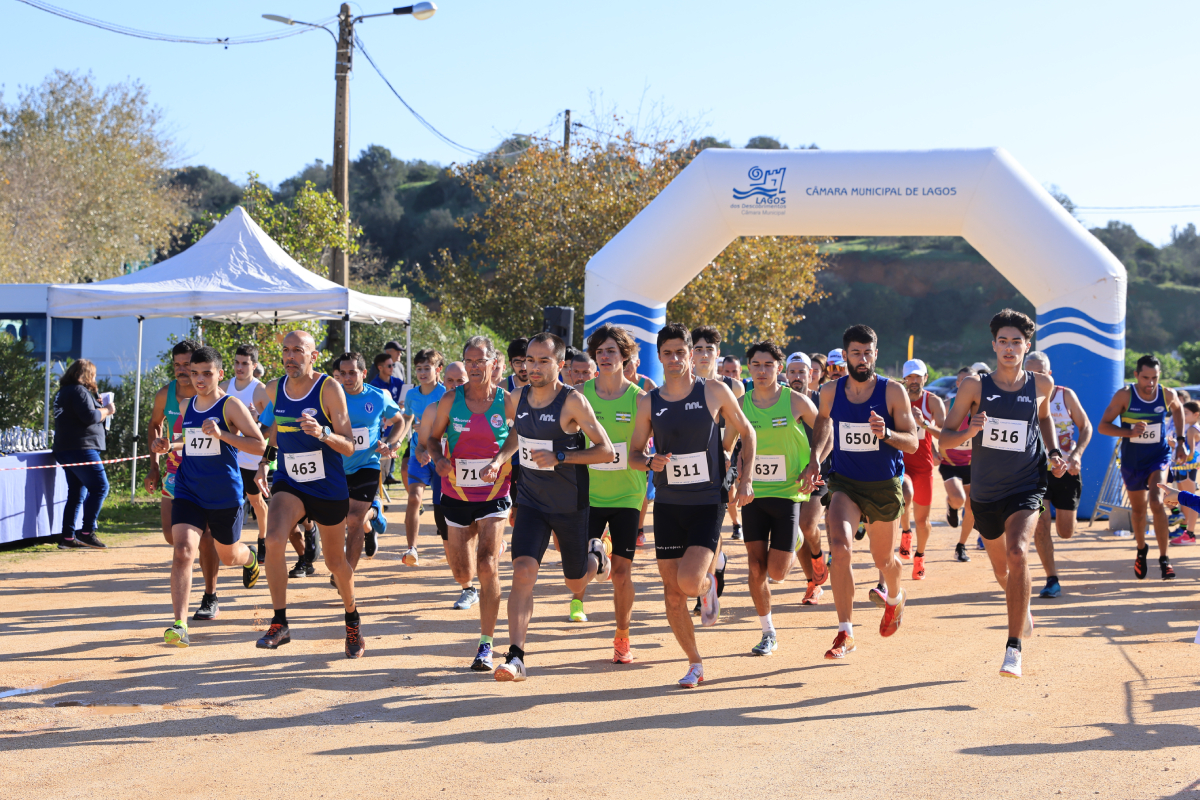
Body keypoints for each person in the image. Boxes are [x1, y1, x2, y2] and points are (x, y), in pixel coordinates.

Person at [479, 332, 615, 682]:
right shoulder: (517, 397)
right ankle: (516, 657)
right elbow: (516, 435)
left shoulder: (572, 402)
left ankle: (597, 555)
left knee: (575, 583)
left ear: (560, 365)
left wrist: (561, 456)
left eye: (542, 361)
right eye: (528, 360)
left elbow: (606, 451)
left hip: (570, 505)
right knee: (523, 570)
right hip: (531, 502)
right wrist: (498, 460)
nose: (532, 367)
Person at [939, 309, 1066, 679]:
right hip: (986, 492)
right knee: (1001, 568)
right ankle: (1019, 604)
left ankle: (1013, 648)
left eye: (1017, 342)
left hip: (1027, 483)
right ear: (994, 345)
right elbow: (946, 440)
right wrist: (969, 431)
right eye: (1003, 342)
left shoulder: (1041, 384)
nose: (1010, 349)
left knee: (1018, 552)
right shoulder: (974, 387)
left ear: (1028, 346)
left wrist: (1054, 452)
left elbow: (1044, 418)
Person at [630, 323, 756, 688]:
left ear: (691, 354)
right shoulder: (648, 402)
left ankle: (705, 582)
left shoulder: (713, 390)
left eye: (680, 352)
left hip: (707, 500)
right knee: (672, 595)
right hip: (669, 503)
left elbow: (747, 431)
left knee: (687, 583)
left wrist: (745, 478)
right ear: (659, 356)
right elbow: (636, 454)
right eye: (667, 353)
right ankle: (695, 662)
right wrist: (649, 462)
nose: (674, 359)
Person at [806, 325, 919, 660]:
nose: (862, 358)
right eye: (856, 352)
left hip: (884, 485)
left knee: (883, 560)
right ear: (845, 356)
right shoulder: (829, 391)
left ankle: (896, 597)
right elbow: (824, 422)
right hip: (845, 483)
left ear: (876, 354)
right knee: (839, 551)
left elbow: (912, 442)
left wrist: (887, 434)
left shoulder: (892, 392)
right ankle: (845, 632)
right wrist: (815, 458)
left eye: (868, 352)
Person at [255, 331, 361, 656]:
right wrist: (264, 463)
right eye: (286, 350)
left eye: (298, 351)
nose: (290, 356)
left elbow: (349, 444)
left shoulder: (329, 388)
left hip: (327, 486)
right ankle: (279, 622)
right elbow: (275, 430)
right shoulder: (273, 388)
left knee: (335, 562)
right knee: (273, 539)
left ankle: (352, 618)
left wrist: (324, 433)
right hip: (291, 481)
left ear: (313, 356)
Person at [152, 347, 265, 647]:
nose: (199, 380)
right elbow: (190, 441)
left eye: (206, 373)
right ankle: (180, 624)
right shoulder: (187, 405)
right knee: (183, 551)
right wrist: (169, 445)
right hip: (189, 490)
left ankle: (250, 556)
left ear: (219, 375)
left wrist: (223, 434)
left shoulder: (231, 406)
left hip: (223, 493)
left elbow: (259, 445)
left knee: (228, 556)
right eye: (195, 373)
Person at [425, 336, 512, 672]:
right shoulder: (451, 400)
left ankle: (486, 645)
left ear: (493, 363)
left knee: (487, 563)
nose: (475, 367)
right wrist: (438, 459)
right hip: (456, 492)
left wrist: (502, 458)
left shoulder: (506, 401)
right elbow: (433, 439)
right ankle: (475, 572)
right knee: (463, 570)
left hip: (494, 492)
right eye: (469, 361)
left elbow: (520, 434)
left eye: (481, 361)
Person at [739, 341, 819, 655]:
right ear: (749, 368)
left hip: (788, 493)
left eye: (768, 365)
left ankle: (797, 537)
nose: (761, 370)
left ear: (779, 368)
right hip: (753, 493)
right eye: (756, 365)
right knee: (756, 568)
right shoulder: (741, 404)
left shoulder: (796, 401)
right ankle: (767, 632)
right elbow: (727, 443)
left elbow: (825, 430)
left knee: (777, 573)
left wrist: (816, 464)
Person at [579, 323, 648, 662]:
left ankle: (622, 637)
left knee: (623, 574)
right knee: (579, 575)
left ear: (625, 356)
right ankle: (598, 553)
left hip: (626, 495)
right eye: (600, 351)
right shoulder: (580, 396)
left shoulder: (640, 400)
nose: (605, 356)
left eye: (611, 351)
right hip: (588, 494)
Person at [145, 340, 221, 620]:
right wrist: (154, 466)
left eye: (186, 365)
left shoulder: (215, 396)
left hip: (205, 477)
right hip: (175, 474)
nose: (181, 370)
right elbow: (155, 425)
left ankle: (210, 595)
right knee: (172, 537)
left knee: (205, 538)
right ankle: (244, 558)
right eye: (176, 365)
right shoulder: (165, 394)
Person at [1097, 354, 1187, 580]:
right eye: (1146, 378)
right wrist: (1129, 432)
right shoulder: (1125, 395)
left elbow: (1177, 410)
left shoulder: (1167, 394)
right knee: (1138, 510)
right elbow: (1103, 427)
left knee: (1157, 501)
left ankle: (1165, 558)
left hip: (1159, 455)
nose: (1151, 383)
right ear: (1136, 375)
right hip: (1132, 460)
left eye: (1155, 378)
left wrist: (1181, 440)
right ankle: (1141, 549)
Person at [1024, 351, 1093, 597]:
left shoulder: (1065, 396)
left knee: (1065, 531)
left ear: (1049, 374)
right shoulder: (1019, 397)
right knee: (1041, 526)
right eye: (1031, 374)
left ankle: (1062, 528)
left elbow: (1086, 427)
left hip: (1065, 469)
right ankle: (1051, 579)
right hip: (1035, 472)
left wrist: (1076, 455)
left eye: (1041, 373)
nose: (1036, 378)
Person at [414, 361, 479, 608]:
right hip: (447, 481)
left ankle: (483, 575)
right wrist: (424, 453)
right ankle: (468, 587)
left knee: (481, 534)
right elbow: (423, 442)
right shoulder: (434, 409)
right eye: (450, 381)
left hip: (481, 482)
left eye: (459, 381)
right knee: (449, 537)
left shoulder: (484, 405)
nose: (454, 385)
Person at [333, 352, 403, 577]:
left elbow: (399, 420)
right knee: (341, 519)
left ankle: (346, 573)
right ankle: (374, 513)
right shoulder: (332, 396)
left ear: (363, 373)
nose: (347, 378)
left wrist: (391, 443)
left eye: (352, 373)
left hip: (367, 464)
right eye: (343, 373)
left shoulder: (378, 396)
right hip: (337, 466)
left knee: (353, 519)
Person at [692, 325, 744, 578]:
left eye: (708, 349)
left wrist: (728, 456)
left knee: (716, 515)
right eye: (698, 349)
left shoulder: (734, 388)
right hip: (690, 462)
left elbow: (737, 427)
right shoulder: (682, 385)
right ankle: (718, 559)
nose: (703, 354)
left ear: (718, 353)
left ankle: (710, 574)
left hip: (723, 460)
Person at [53, 358, 115, 549]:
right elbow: (90, 417)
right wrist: (107, 410)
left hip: (66, 448)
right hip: (82, 448)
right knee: (100, 488)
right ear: (86, 374)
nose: (94, 379)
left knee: (77, 493)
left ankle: (68, 537)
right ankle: (86, 532)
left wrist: (95, 404)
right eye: (93, 375)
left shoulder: (64, 392)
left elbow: (81, 414)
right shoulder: (78, 391)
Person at [786, 351, 830, 604]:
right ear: (786, 374)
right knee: (796, 530)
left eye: (802, 372)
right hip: (788, 474)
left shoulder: (821, 400)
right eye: (792, 372)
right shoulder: (781, 401)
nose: (796, 377)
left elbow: (831, 436)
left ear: (811, 375)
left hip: (820, 472)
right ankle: (812, 583)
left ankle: (817, 555)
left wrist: (815, 464)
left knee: (806, 524)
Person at [220, 344, 271, 562]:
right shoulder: (223, 385)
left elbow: (273, 423)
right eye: (236, 362)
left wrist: (257, 421)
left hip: (251, 456)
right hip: (228, 453)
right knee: (231, 499)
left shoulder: (260, 390)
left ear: (254, 365)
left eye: (245, 363)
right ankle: (231, 544)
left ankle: (263, 540)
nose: (239, 367)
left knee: (256, 500)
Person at [898, 358, 946, 581]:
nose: (914, 381)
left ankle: (920, 556)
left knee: (923, 519)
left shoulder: (933, 402)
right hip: (900, 463)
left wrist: (924, 424)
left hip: (923, 466)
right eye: (910, 377)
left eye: (918, 377)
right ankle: (905, 532)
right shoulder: (896, 398)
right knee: (905, 496)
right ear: (904, 379)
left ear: (926, 378)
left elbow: (946, 435)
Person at [399, 349, 447, 567]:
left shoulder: (446, 394)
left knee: (443, 505)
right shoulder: (411, 395)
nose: (422, 372)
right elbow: (407, 418)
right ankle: (412, 548)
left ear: (438, 370)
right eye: (418, 368)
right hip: (418, 452)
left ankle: (452, 543)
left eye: (427, 368)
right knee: (413, 498)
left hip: (442, 455)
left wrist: (430, 428)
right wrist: (398, 440)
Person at [940, 367, 978, 562]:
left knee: (972, 508)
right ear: (957, 384)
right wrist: (935, 451)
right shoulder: (947, 405)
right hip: (951, 462)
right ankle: (951, 505)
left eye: (971, 381)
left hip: (973, 464)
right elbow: (933, 429)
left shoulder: (982, 407)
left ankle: (961, 545)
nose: (967, 385)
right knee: (958, 498)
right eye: (963, 381)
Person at [623, 354, 656, 545]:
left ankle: (639, 529)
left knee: (640, 487)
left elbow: (658, 417)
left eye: (630, 362)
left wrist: (645, 436)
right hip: (618, 441)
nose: (626, 366)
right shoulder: (611, 385)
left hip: (642, 443)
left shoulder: (647, 385)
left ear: (638, 362)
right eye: (624, 361)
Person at [1169, 401, 1200, 543]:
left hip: (1188, 469)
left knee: (1192, 501)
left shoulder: (1191, 430)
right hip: (1186, 469)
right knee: (1187, 501)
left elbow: (1190, 454)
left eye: (1185, 413)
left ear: (1196, 414)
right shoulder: (1191, 429)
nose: (1183, 416)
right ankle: (1187, 532)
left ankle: (1190, 534)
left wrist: (1173, 444)